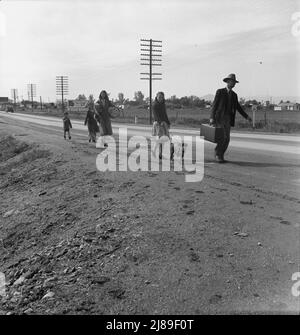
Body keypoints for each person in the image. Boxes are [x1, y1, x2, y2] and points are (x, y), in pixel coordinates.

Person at [210, 73, 252, 163]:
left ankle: (221, 155)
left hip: (228, 119)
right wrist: (211, 117)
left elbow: (238, 107)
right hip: (220, 118)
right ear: (228, 82)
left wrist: (247, 117)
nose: (233, 84)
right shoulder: (220, 92)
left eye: (234, 82)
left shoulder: (234, 95)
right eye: (232, 82)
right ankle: (217, 154)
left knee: (227, 139)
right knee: (223, 137)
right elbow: (214, 105)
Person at [152, 91, 171, 159]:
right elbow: (156, 115)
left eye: (162, 97)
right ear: (156, 97)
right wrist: (160, 122)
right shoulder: (155, 105)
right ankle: (156, 152)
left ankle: (159, 153)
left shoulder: (163, 105)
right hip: (158, 124)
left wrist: (168, 123)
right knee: (160, 139)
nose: (160, 98)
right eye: (159, 97)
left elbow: (165, 115)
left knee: (164, 139)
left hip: (164, 124)